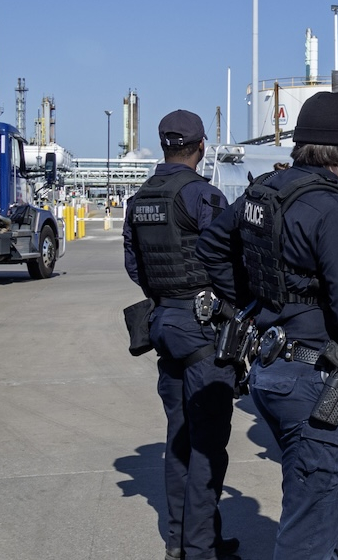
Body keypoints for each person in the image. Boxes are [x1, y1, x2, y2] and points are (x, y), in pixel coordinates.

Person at [195, 91, 338, 559]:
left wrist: (261, 300)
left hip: (273, 367)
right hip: (316, 380)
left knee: (306, 500)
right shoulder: (337, 209)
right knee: (312, 531)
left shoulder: (264, 191)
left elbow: (212, 248)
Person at [122, 110, 240, 560]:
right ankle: (201, 549)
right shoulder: (202, 195)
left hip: (163, 324)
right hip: (200, 329)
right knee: (207, 445)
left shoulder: (139, 198)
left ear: (165, 144)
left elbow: (134, 266)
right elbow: (229, 262)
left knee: (179, 439)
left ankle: (179, 542)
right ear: (201, 146)